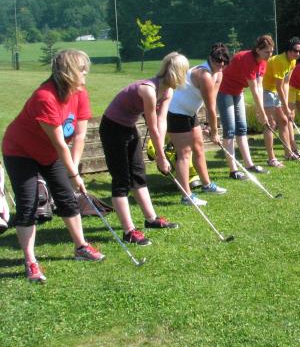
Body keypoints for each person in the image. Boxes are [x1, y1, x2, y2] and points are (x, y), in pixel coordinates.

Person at [2, 49, 104, 282]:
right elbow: (60, 143)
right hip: (20, 152)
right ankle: (31, 262)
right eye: (81, 71)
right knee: (28, 205)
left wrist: (74, 171)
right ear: (68, 73)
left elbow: (79, 136)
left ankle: (81, 247)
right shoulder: (45, 97)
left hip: (49, 153)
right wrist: (74, 174)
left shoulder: (80, 93)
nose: (85, 76)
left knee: (67, 198)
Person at [100, 52, 187, 247]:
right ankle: (128, 231)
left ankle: (151, 219)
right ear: (177, 73)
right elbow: (152, 126)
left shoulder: (168, 91)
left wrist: (161, 149)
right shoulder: (148, 90)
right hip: (112, 128)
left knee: (138, 174)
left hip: (128, 127)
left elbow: (162, 122)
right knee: (122, 179)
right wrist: (161, 157)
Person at [167, 43, 230, 206]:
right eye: (218, 60)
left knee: (199, 148)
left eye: (224, 61)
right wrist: (215, 133)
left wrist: (210, 124)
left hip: (190, 113)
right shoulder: (204, 75)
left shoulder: (218, 74)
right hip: (175, 113)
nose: (221, 64)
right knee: (184, 153)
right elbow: (209, 107)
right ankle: (186, 196)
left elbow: (213, 101)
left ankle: (207, 185)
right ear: (210, 58)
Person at [217, 35, 272, 180]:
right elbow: (254, 90)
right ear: (258, 50)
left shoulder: (263, 62)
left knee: (242, 128)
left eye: (271, 52)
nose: (269, 55)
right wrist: (261, 113)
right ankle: (233, 170)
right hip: (224, 91)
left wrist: (262, 112)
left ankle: (249, 165)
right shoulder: (248, 60)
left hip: (238, 91)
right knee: (229, 130)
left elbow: (260, 87)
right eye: (267, 52)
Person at [262, 37, 300, 166]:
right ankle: (271, 158)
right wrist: (286, 107)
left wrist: (286, 104)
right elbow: (279, 86)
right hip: (266, 90)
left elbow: (286, 83)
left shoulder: (292, 62)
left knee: (284, 121)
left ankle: (288, 153)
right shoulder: (280, 61)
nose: (297, 53)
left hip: (276, 91)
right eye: (294, 50)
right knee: (271, 124)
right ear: (288, 49)